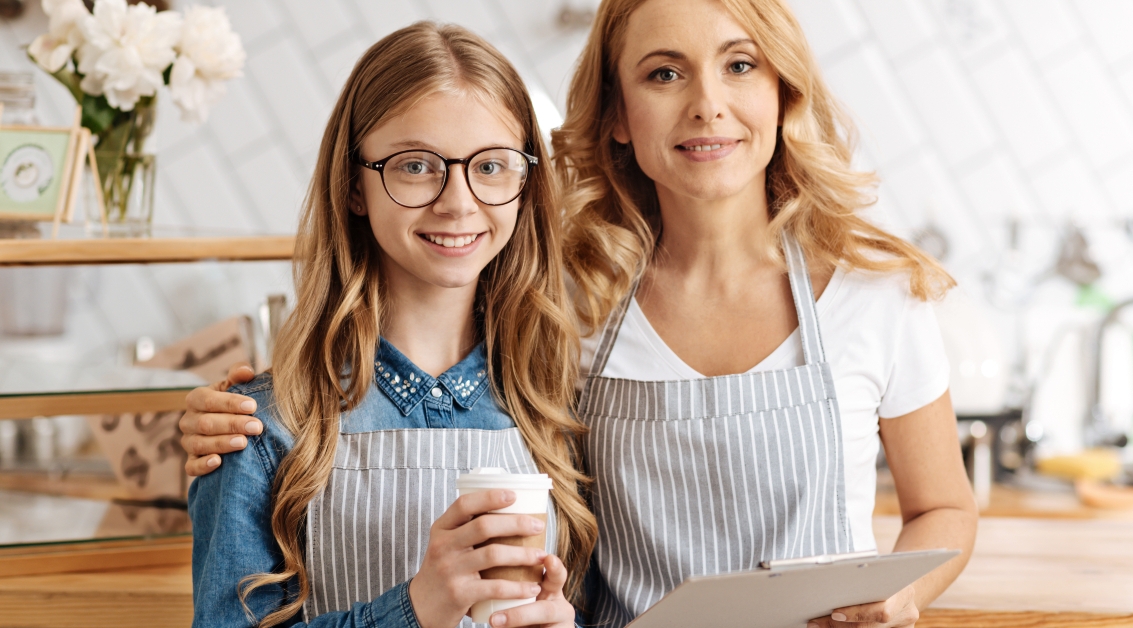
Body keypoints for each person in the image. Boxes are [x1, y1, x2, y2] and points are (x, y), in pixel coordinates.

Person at [182, 1, 978, 627]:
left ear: (782, 90)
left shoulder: (877, 297)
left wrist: (902, 598)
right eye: (664, 73)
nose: (708, 104)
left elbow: (943, 504)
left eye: (741, 64)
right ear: (617, 117)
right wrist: (218, 418)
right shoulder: (573, 313)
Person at [186, 22, 596, 628]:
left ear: (523, 184)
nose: (458, 201)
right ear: (355, 185)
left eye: (491, 166)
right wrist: (416, 609)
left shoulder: (555, 409)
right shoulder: (263, 427)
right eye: (415, 166)